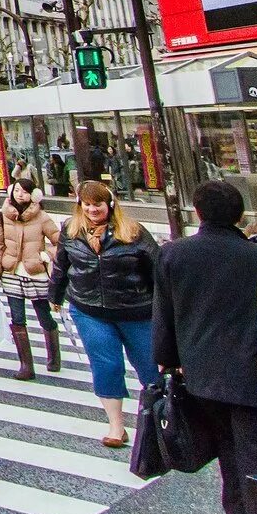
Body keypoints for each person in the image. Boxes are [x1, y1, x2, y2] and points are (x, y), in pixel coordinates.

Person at [152, 179, 257, 514]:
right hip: (253, 370)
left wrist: (167, 360)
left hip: (201, 371)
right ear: (240, 215)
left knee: (228, 444)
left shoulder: (173, 254)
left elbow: (165, 313)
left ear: (197, 211)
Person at [48, 179, 158, 448]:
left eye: (97, 204)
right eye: (86, 204)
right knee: (106, 366)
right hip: (89, 309)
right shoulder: (70, 231)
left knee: (150, 366)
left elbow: (157, 270)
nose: (92, 209)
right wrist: (55, 295)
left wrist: (164, 306)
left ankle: (159, 422)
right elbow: (62, 265)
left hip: (136, 310)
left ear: (110, 204)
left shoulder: (133, 232)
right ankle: (116, 426)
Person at [0, 178, 62, 381]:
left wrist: (48, 255)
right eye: (17, 190)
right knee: (17, 319)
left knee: (44, 315)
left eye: (25, 192)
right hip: (11, 272)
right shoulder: (1, 216)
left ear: (33, 195)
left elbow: (61, 242)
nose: (20, 194)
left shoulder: (42, 217)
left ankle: (54, 356)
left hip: (36, 272)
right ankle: (26, 366)